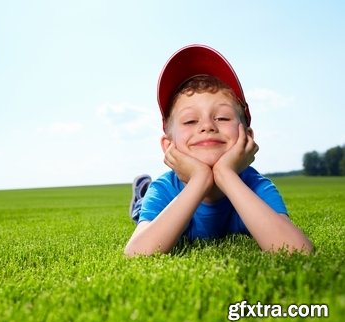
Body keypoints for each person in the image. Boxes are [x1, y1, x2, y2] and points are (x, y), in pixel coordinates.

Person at [125, 44, 312, 257]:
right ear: (169, 146)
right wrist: (199, 180)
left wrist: (225, 174)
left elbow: (299, 251)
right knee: (143, 214)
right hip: (164, 201)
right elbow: (136, 253)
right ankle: (141, 198)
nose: (207, 126)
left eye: (222, 117)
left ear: (247, 137)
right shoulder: (163, 189)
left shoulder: (257, 186)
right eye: (190, 120)